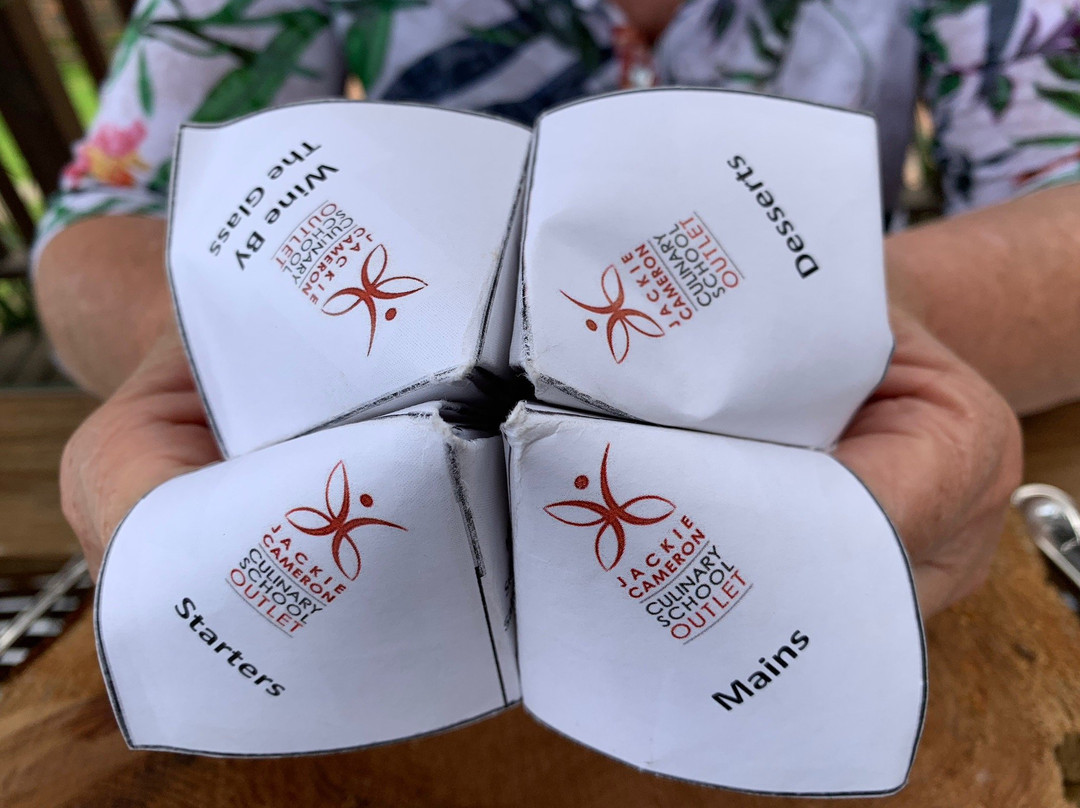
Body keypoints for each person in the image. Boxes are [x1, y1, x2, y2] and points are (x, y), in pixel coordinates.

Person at [34, 0, 1080, 617]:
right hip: (400, 554)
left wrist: (879, 311)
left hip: (795, 513)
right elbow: (104, 222)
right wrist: (212, 342)